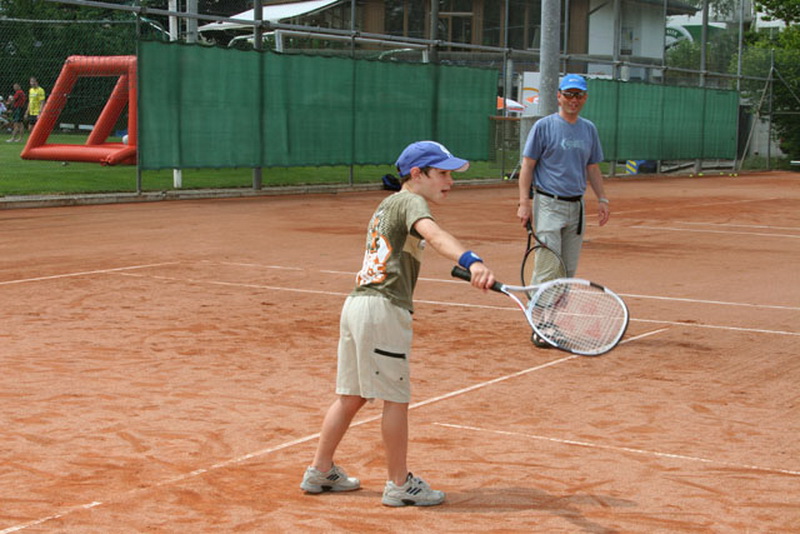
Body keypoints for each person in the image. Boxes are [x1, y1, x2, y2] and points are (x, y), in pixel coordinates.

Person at [300, 141, 495, 507]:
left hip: (358, 305)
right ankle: (399, 484)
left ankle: (320, 470)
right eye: (443, 173)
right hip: (384, 309)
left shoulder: (388, 204)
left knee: (351, 396)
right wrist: (472, 261)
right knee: (396, 399)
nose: (450, 181)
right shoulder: (410, 202)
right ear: (417, 174)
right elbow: (434, 235)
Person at [515, 74, 610, 348]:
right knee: (548, 267)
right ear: (559, 96)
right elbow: (527, 166)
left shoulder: (588, 129)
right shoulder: (544, 127)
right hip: (548, 204)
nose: (573, 100)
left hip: (576, 207)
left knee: (567, 269)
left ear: (585, 98)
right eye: (568, 94)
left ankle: (551, 321)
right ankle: (540, 324)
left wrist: (602, 198)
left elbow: (592, 167)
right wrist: (524, 202)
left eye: (578, 95)